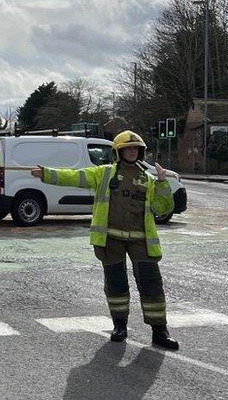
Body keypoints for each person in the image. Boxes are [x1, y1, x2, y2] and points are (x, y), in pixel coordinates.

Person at [30, 130, 179, 350]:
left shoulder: (148, 179)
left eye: (135, 148)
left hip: (141, 241)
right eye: (127, 148)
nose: (131, 151)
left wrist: (163, 183)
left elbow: (162, 208)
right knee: (116, 285)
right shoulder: (104, 173)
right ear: (119, 152)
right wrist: (47, 174)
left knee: (152, 285)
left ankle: (159, 331)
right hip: (111, 240)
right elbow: (76, 177)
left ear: (140, 152)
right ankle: (120, 326)